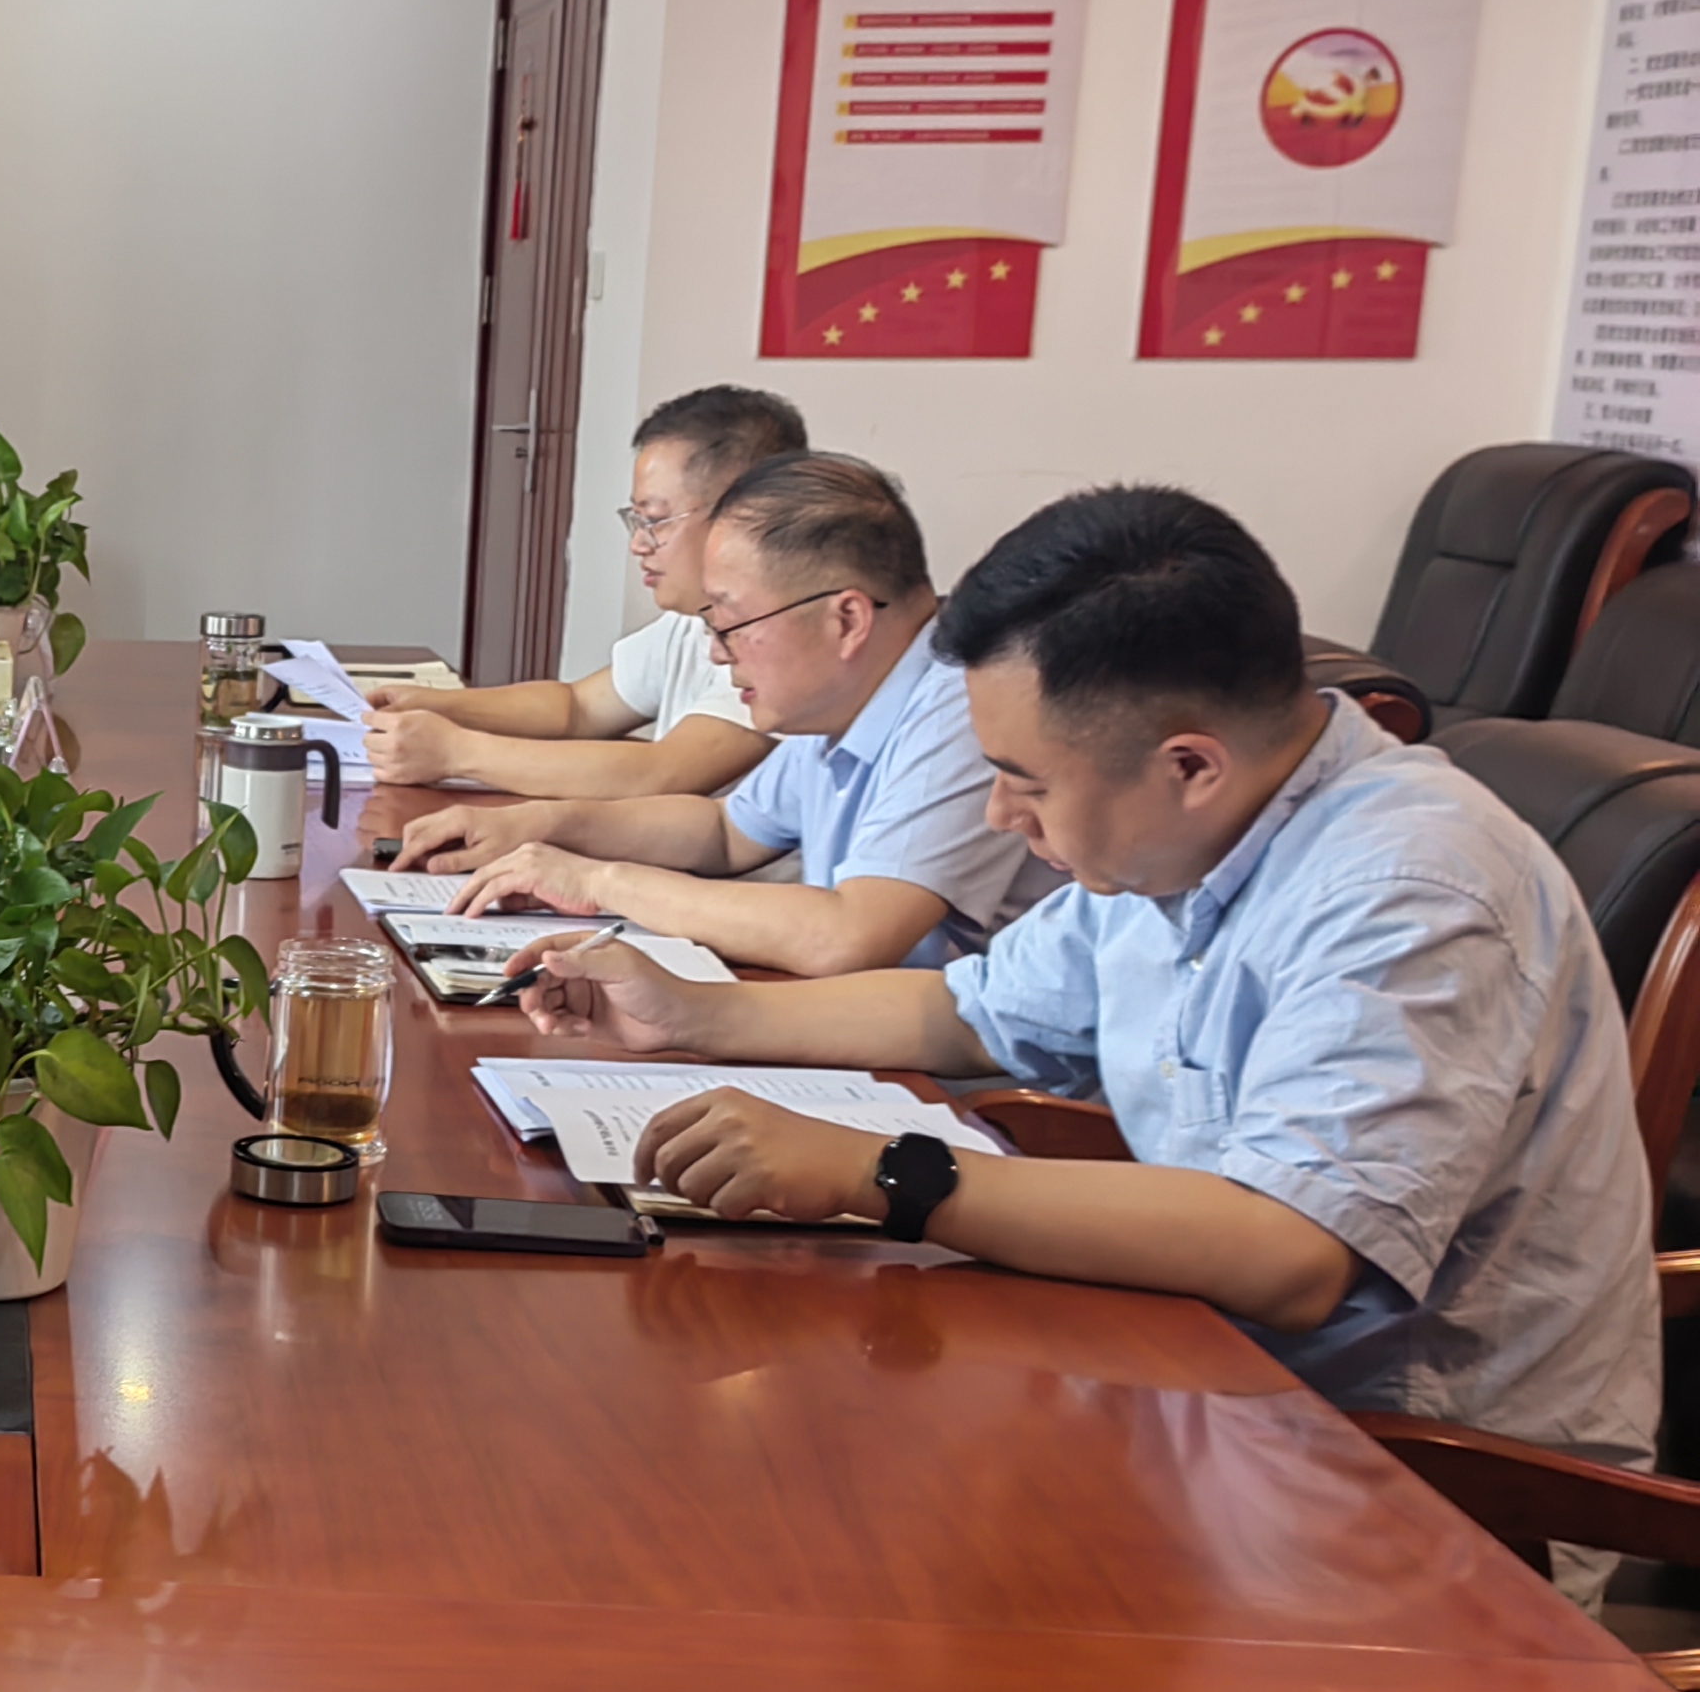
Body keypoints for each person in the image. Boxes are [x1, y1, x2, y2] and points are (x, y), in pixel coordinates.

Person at [505, 484, 1656, 1512]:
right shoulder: (1190, 832)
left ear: (1188, 764)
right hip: (1180, 1382)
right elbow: (967, 1011)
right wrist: (695, 1016)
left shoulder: (1409, 886)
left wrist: (883, 1173)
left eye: (1026, 782)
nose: (1000, 818)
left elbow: (1294, 1251)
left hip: (1407, 1485)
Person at [394, 452, 1046, 972]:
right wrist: (539, 825)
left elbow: (848, 935)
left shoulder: (961, 703)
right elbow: (725, 832)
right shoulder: (849, 693)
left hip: (955, 1077)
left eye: (732, 622)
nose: (715, 650)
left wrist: (599, 881)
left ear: (846, 619)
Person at [360, 385, 799, 800]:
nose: (638, 544)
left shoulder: (780, 643)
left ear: (743, 515)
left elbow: (660, 774)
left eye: (655, 521)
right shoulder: (687, 624)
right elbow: (578, 708)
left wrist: (456, 753)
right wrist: (435, 705)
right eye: (636, 520)